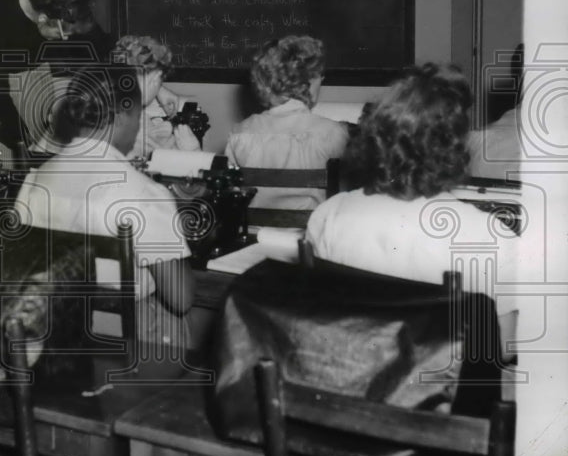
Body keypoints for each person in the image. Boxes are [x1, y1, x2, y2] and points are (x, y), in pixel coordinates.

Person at [306, 63, 519, 337]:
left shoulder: (329, 215)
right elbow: (504, 342)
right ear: (455, 149)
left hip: (354, 369)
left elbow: (321, 316)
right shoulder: (489, 235)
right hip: (440, 377)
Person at [13, 66, 194, 349]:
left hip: (53, 330)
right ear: (123, 116)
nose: (137, 128)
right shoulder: (144, 192)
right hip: (125, 337)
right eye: (137, 116)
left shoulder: (35, 180)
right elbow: (181, 298)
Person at [0, 0, 113, 156]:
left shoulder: (57, 0)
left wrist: (114, 55)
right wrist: (17, 139)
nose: (65, 40)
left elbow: (93, 36)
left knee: (42, 151)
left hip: (35, 77)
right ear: (42, 18)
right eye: (60, 34)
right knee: (3, 157)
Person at [225, 35, 348, 209]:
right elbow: (345, 198)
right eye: (320, 76)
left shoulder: (240, 132)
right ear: (310, 81)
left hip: (256, 233)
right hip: (312, 234)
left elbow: (232, 195)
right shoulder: (334, 133)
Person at [111, 35, 201, 159]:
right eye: (161, 81)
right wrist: (194, 151)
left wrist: (159, 90)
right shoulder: (137, 127)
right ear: (155, 77)